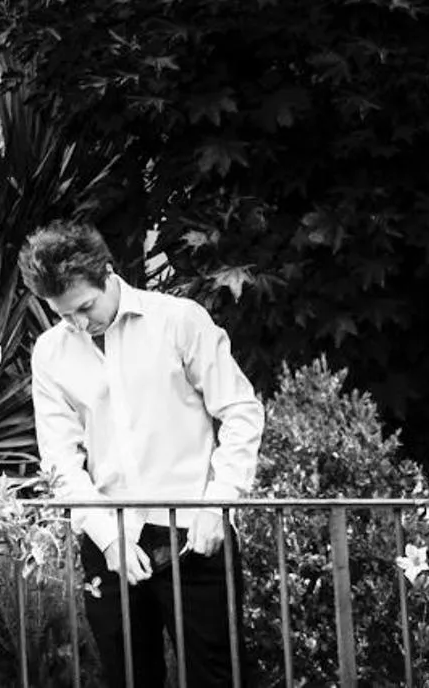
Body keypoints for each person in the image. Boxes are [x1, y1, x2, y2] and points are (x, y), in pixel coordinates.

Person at [21, 219, 264, 688]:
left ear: (107, 274)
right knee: (128, 678)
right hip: (109, 540)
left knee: (218, 677)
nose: (77, 324)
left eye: (85, 307)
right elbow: (59, 460)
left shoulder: (179, 320)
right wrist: (107, 537)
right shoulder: (50, 353)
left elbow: (240, 410)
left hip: (195, 532)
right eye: (63, 314)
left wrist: (219, 502)